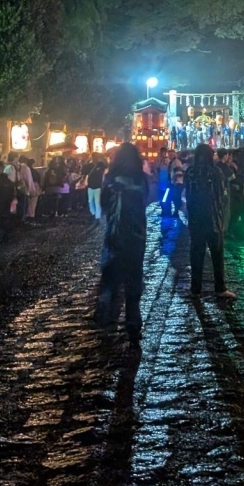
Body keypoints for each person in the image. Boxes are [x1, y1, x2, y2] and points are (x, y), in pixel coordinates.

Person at [97, 144, 151, 339]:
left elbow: (103, 204)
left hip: (114, 234)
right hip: (136, 235)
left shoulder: (110, 179)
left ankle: (107, 319)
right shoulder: (141, 179)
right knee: (134, 278)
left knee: (111, 276)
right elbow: (147, 199)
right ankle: (133, 322)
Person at [185, 143, 234, 299]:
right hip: (212, 218)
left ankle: (195, 288)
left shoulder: (190, 172)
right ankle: (220, 287)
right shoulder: (215, 172)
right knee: (217, 255)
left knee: (196, 254)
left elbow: (187, 194)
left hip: (195, 219)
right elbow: (221, 195)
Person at [86, 154, 107, 220]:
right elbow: (86, 173)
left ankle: (97, 215)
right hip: (90, 186)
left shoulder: (101, 165)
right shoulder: (89, 166)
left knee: (97, 201)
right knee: (90, 201)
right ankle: (93, 213)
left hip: (97, 186)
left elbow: (106, 166)